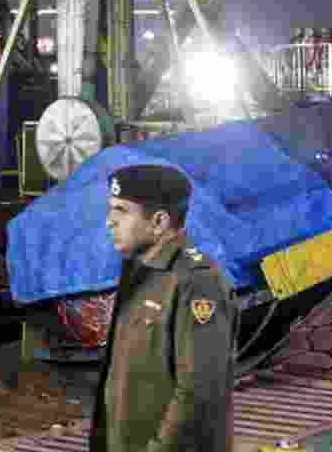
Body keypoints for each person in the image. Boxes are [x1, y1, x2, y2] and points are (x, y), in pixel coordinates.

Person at [90, 164, 235, 452]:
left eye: (121, 211)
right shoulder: (140, 271)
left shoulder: (196, 282)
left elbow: (198, 393)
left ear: (158, 222)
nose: (109, 221)